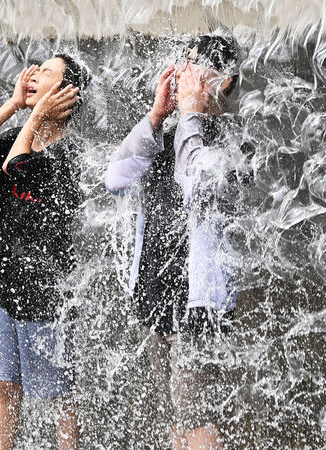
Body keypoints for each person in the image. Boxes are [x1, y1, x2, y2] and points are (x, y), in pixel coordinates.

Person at [105, 34, 249, 449]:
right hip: (156, 292)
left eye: (192, 65)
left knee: (198, 420)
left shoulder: (232, 143)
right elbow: (116, 180)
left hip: (198, 302)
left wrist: (189, 114)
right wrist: (156, 116)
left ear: (222, 82)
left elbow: (196, 184)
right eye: (182, 63)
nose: (182, 72)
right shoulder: (168, 135)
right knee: (173, 421)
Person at [0, 53, 90, 450]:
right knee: (7, 385)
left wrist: (32, 118)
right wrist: (15, 105)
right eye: (34, 71)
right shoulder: (21, 137)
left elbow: (17, 165)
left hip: (48, 292)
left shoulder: (67, 157)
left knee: (59, 396)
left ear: (65, 94)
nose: (32, 77)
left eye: (45, 73)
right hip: (8, 286)